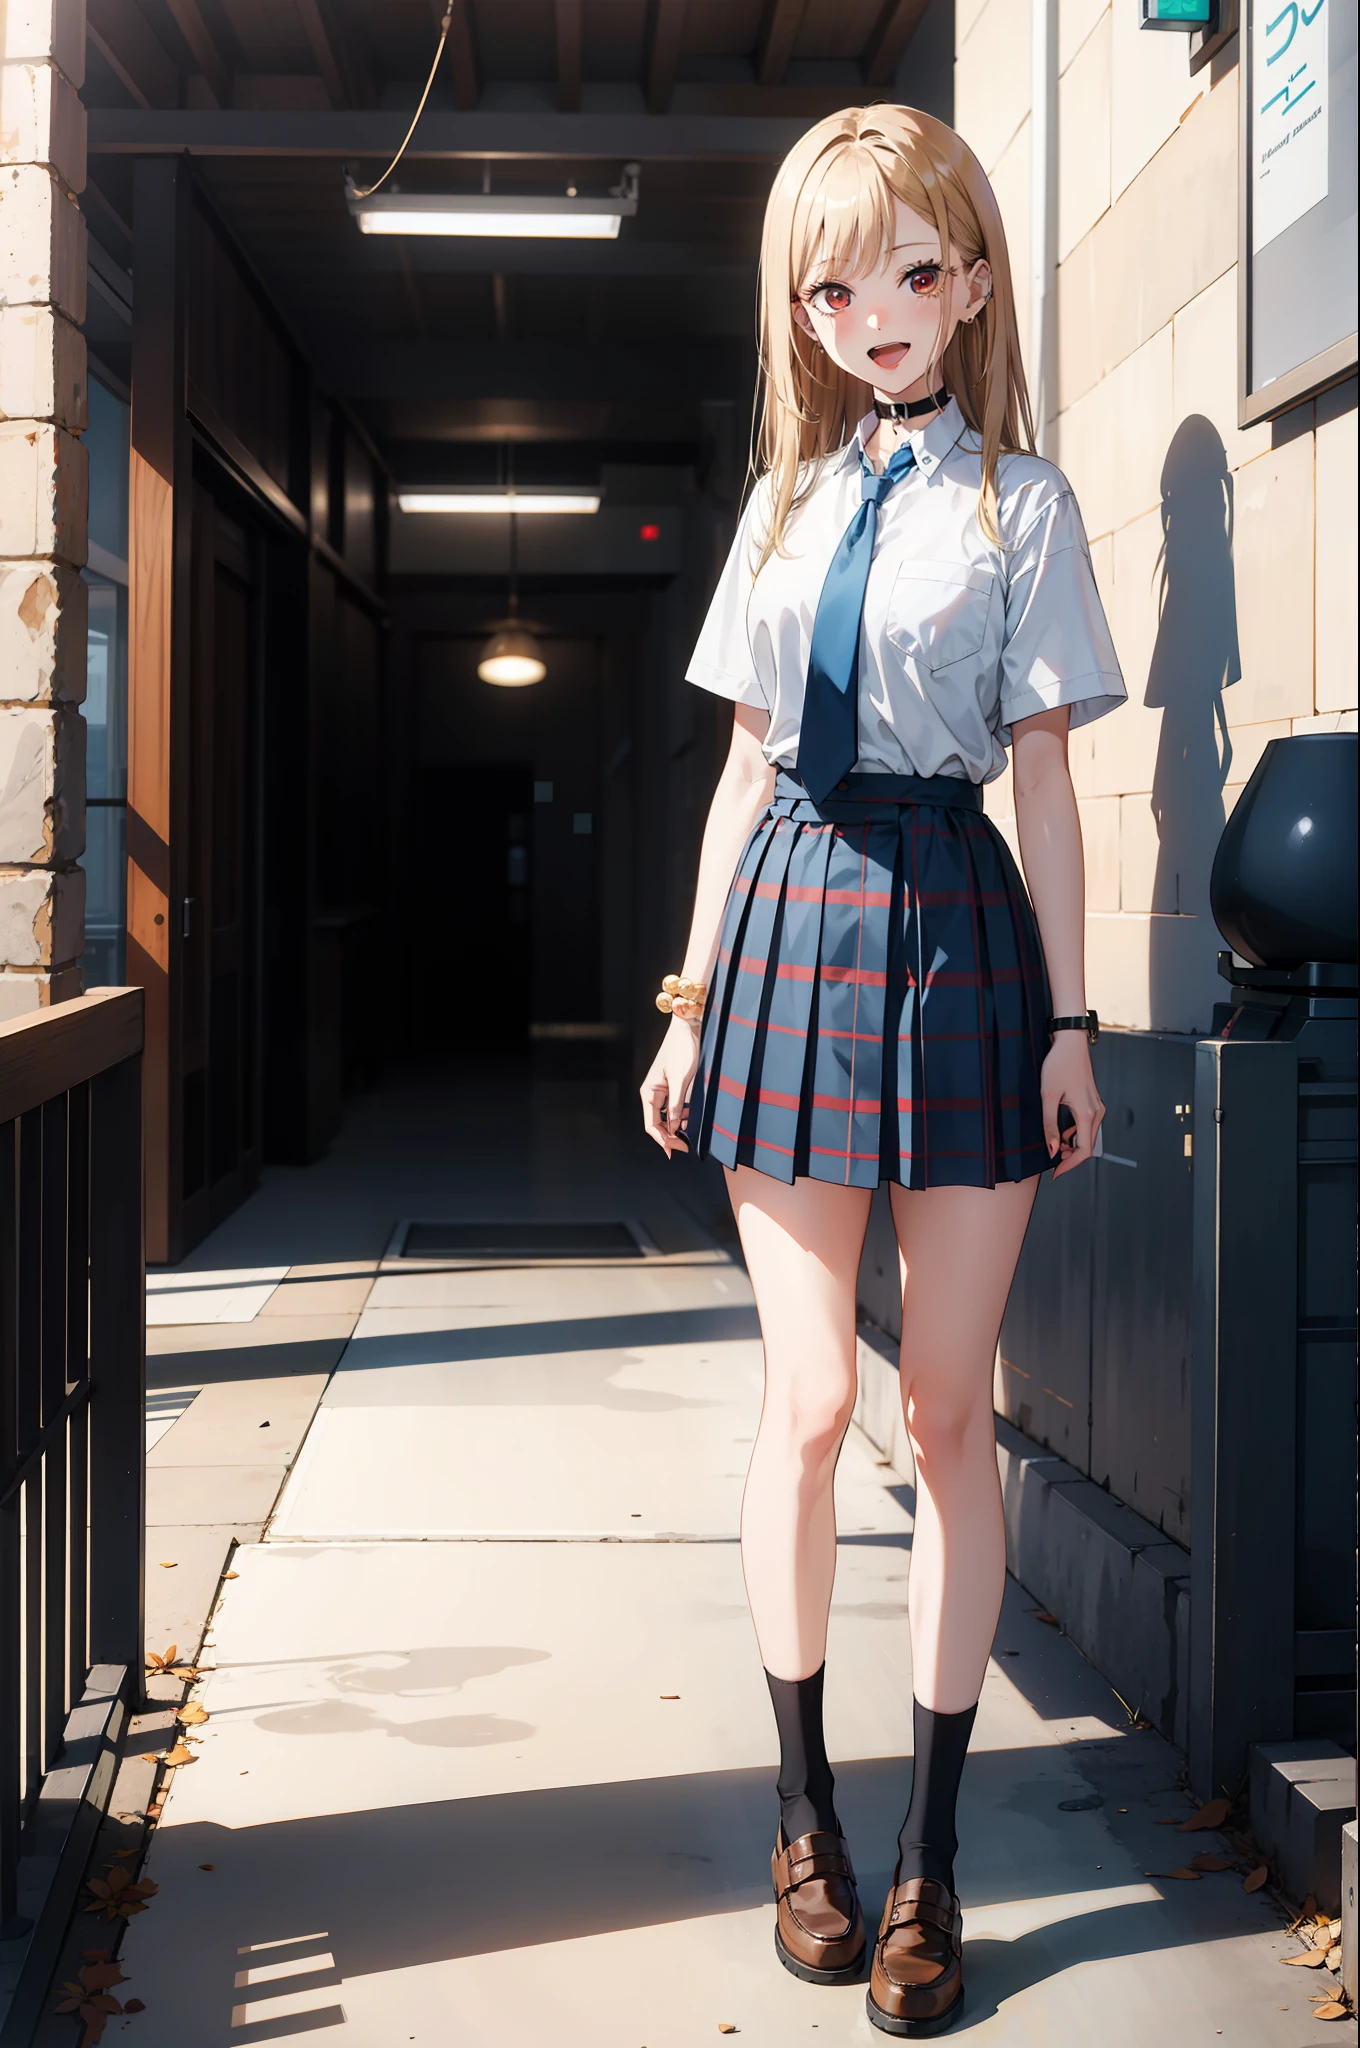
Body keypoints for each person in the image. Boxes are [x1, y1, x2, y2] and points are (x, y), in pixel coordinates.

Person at [640, 104, 1124, 2036]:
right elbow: (748, 764)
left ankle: (935, 1856)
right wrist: (687, 998)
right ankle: (804, 1820)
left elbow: (1053, 786)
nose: (876, 310)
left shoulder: (1027, 504)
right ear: (806, 308)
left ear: (976, 281)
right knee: (813, 1399)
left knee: (943, 1415)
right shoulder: (777, 509)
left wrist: (1076, 1024)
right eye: (836, 282)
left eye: (915, 270)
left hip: (961, 929)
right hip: (786, 924)